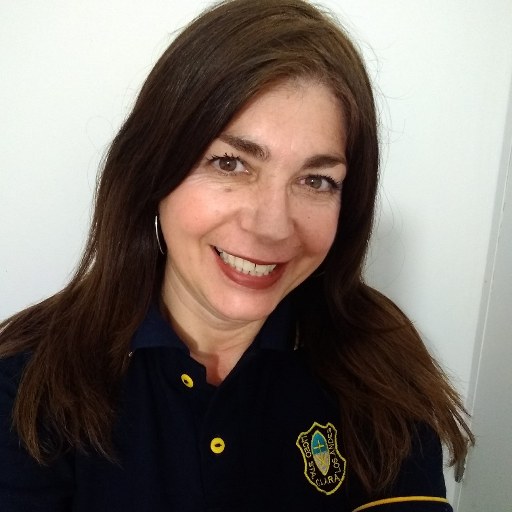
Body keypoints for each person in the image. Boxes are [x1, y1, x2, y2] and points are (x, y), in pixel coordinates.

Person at [0, 0, 473, 510]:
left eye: (316, 180)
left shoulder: (379, 364)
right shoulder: (28, 382)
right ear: (153, 169)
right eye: (230, 163)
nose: (271, 226)